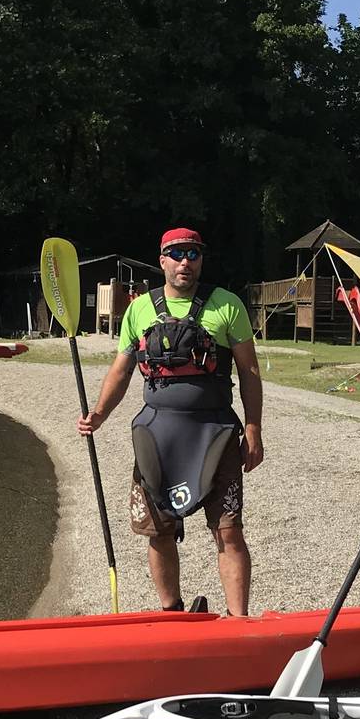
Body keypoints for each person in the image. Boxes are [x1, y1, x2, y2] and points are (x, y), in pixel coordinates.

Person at [77, 227, 264, 616]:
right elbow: (122, 370)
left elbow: (249, 372)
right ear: (162, 259)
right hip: (157, 434)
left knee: (228, 530)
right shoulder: (139, 309)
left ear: (201, 259)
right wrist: (99, 414)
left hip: (216, 433)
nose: (185, 262)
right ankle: (172, 612)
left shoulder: (226, 305)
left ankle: (238, 621)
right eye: (177, 254)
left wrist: (253, 429)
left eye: (193, 254)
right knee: (157, 531)